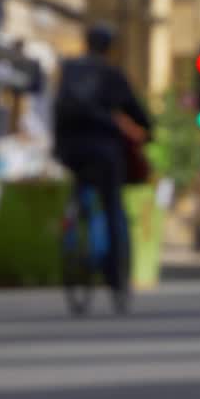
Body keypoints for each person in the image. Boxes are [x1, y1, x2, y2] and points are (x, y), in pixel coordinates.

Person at [52, 23, 152, 312]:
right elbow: (135, 110)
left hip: (71, 150)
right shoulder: (111, 74)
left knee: (81, 189)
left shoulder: (69, 70)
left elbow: (57, 109)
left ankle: (74, 236)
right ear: (108, 47)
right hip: (104, 151)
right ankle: (116, 276)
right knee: (113, 209)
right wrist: (148, 129)